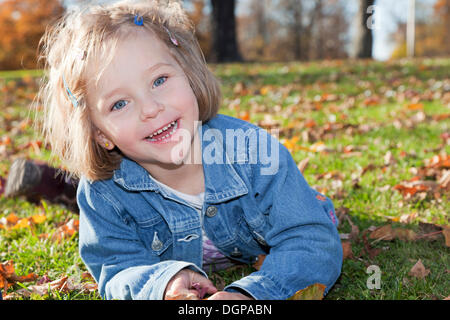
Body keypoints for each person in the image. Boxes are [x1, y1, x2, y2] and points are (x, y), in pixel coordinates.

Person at [36, 0, 342, 300]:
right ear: (101, 133)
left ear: (190, 76)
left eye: (159, 80)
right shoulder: (103, 193)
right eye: (119, 103)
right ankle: (50, 185)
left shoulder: (254, 153)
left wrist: (251, 295)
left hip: (296, 208)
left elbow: (311, 241)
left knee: (310, 213)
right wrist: (165, 282)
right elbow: (116, 266)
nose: (151, 108)